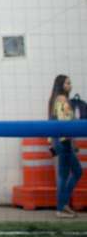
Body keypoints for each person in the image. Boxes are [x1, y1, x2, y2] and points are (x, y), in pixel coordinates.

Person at [48, 74, 83, 218]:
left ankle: (63, 205)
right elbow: (65, 123)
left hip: (63, 142)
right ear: (61, 85)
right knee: (66, 174)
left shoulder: (58, 99)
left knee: (74, 172)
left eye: (70, 83)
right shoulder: (62, 100)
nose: (70, 85)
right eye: (67, 83)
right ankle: (61, 207)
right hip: (63, 142)